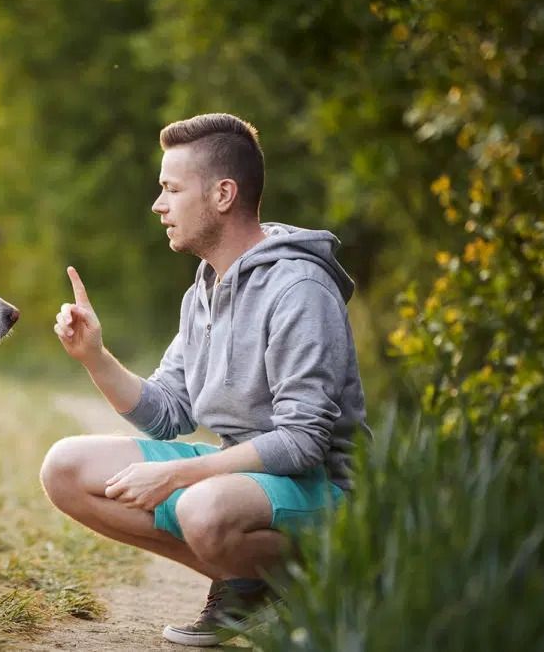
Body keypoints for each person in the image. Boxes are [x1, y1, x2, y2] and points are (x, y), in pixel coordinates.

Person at [40, 113, 369, 647]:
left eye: (171, 189)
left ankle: (327, 578)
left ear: (222, 194)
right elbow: (168, 412)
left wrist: (178, 478)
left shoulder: (299, 288)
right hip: (243, 483)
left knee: (201, 505)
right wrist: (95, 357)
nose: (158, 204)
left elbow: (304, 442)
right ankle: (247, 585)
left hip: (326, 491)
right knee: (65, 469)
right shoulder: (203, 293)